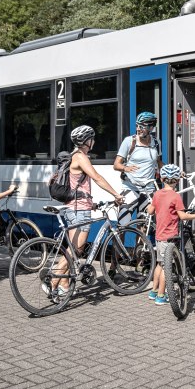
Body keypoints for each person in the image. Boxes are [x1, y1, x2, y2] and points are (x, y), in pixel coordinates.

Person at [47, 125, 125, 299]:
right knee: (76, 248)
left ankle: (64, 283)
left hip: (77, 206)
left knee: (72, 249)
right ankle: (52, 282)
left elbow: (78, 185)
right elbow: (97, 177)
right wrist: (116, 194)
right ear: (87, 141)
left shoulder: (76, 157)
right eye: (92, 138)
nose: (94, 141)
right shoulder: (80, 157)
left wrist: (92, 203)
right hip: (77, 208)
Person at [146, 164, 195, 305]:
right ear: (178, 181)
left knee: (160, 264)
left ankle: (153, 291)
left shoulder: (157, 194)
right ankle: (161, 296)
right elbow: (183, 216)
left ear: (161, 178)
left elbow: (150, 211)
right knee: (166, 268)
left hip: (159, 235)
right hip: (170, 236)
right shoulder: (175, 197)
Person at [113, 111, 163, 199]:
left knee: (149, 213)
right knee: (125, 213)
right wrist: (126, 168)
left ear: (151, 128)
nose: (138, 129)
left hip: (149, 190)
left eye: (142, 127)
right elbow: (116, 165)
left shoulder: (156, 142)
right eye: (137, 126)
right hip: (130, 188)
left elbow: (158, 162)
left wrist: (172, 172)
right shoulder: (129, 141)